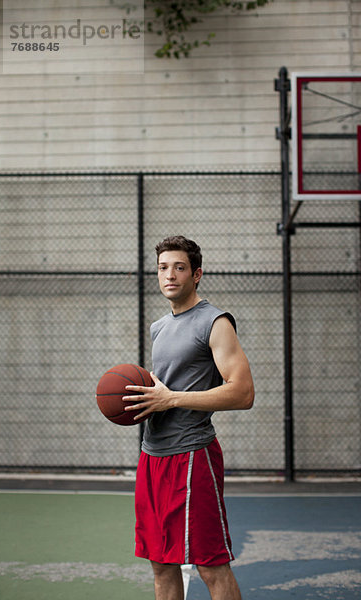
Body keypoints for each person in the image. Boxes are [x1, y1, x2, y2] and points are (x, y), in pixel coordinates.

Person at [122, 235, 254, 600]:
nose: (170, 275)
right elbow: (163, 389)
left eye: (179, 267)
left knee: (211, 565)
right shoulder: (159, 327)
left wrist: (171, 399)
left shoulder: (215, 322)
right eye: (163, 267)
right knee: (161, 564)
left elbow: (243, 392)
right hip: (152, 457)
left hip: (192, 456)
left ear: (196, 274)